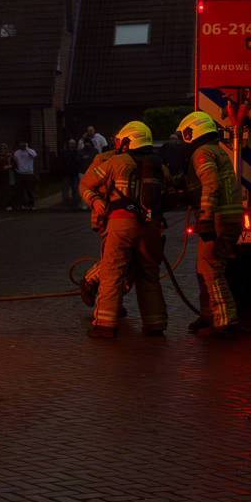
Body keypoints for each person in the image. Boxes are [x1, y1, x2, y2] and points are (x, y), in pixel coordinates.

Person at [78, 120, 168, 338]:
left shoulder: (115, 162)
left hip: (121, 224)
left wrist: (94, 202)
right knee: (149, 276)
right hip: (152, 228)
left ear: (129, 141)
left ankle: (105, 326)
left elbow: (86, 184)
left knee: (112, 273)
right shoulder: (159, 168)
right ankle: (155, 325)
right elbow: (169, 194)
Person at [178, 110, 245, 337]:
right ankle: (208, 315)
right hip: (227, 216)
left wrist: (205, 217)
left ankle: (225, 320)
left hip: (218, 218)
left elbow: (211, 183)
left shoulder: (202, 152)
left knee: (211, 269)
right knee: (203, 268)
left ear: (191, 132)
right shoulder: (215, 150)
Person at [13, 140, 39, 210]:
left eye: (24, 144)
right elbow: (14, 161)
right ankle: (22, 205)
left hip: (29, 174)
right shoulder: (17, 152)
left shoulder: (31, 151)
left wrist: (27, 149)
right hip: (20, 173)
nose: (22, 145)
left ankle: (31, 204)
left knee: (29, 190)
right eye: (21, 144)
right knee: (20, 191)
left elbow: (34, 155)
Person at [60, 138, 84, 209]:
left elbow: (79, 162)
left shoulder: (78, 152)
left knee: (75, 189)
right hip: (66, 173)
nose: (72, 145)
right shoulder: (64, 153)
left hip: (75, 173)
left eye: (73, 143)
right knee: (65, 189)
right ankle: (66, 203)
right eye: (70, 143)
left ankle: (75, 202)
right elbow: (62, 163)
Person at [0, 142, 14, 210]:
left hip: (7, 174)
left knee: (7, 190)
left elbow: (14, 164)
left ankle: (8, 205)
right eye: (1, 148)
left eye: (4, 148)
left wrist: (9, 166)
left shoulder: (10, 156)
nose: (2, 149)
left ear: (6, 149)